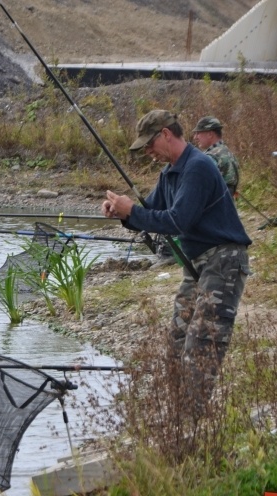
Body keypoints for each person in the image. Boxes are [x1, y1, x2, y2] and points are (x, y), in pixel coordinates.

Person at [101, 109, 252, 422]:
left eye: (150, 144)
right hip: (196, 266)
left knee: (202, 345)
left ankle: (191, 425)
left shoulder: (198, 167)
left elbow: (177, 220)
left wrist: (133, 212)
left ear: (166, 134)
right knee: (178, 341)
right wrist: (122, 212)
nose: (148, 152)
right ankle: (177, 419)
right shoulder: (170, 172)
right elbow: (152, 211)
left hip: (223, 261)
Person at [191, 116, 240, 195]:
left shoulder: (210, 157)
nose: (195, 137)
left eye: (198, 133)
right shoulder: (228, 152)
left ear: (210, 134)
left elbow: (200, 187)